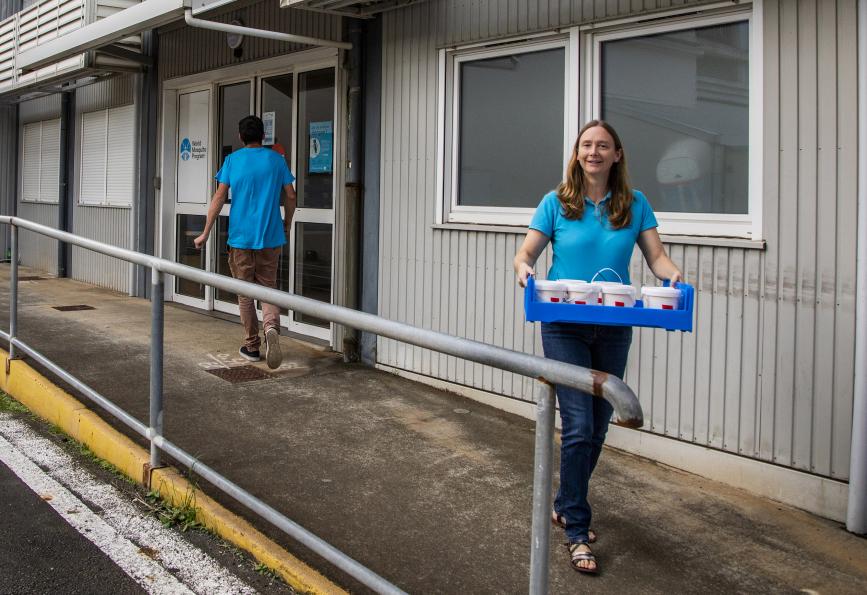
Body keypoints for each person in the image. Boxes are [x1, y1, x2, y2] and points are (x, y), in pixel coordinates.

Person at [513, 120, 682, 575]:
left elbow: (656, 257)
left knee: (601, 425)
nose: (594, 152)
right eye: (587, 145)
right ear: (577, 153)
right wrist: (524, 269)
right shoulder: (556, 203)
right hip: (565, 326)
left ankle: (566, 502)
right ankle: (576, 531)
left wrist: (672, 275)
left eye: (602, 146)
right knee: (580, 425)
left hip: (614, 327)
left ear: (617, 155)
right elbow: (525, 254)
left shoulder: (635, 204)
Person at [194, 115, 297, 370]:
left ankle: (252, 346)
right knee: (267, 288)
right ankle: (271, 327)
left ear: (240, 137)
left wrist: (205, 232)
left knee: (245, 294)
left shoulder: (232, 160)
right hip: (271, 236)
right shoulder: (277, 160)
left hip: (240, 238)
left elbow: (219, 197)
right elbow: (291, 195)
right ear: (264, 136)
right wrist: (288, 223)